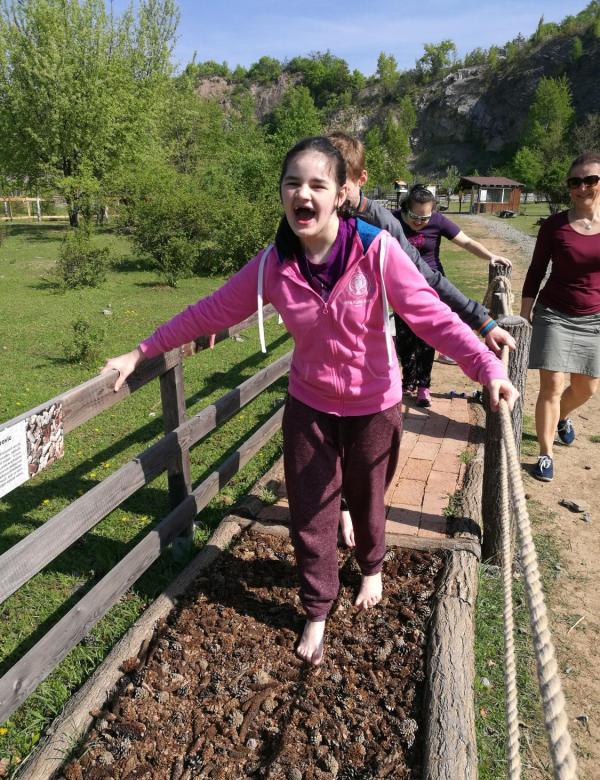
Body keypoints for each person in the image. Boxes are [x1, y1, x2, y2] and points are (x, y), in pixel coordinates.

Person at [102, 137, 518, 666]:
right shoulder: (273, 265)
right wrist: (140, 351)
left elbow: (431, 317)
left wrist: (486, 367)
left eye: (318, 184)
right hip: (310, 406)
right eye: (293, 183)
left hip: (375, 404)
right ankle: (317, 608)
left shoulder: (376, 250)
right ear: (281, 193)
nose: (304, 194)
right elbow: (209, 311)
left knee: (368, 499)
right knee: (310, 512)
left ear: (341, 194)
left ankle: (371, 565)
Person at [327, 132, 516, 543]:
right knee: (329, 447)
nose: (329, 192)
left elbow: (428, 280)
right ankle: (340, 511)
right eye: (321, 179)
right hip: (322, 365)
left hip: (369, 358)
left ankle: (356, 514)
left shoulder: (381, 224)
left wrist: (482, 321)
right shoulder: (304, 217)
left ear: (359, 179)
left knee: (371, 449)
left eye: (338, 180)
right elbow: (269, 269)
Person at [361, 182, 512, 408]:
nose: (420, 222)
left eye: (425, 218)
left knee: (427, 339)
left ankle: (424, 385)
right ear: (405, 209)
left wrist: (490, 255)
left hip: (431, 285)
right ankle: (408, 380)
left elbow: (466, 241)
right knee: (405, 339)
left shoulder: (438, 221)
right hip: (401, 288)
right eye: (415, 217)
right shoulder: (392, 220)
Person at [520, 151, 600, 482]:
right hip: (554, 313)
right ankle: (545, 453)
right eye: (575, 182)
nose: (582, 187)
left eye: (590, 180)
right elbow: (536, 270)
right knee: (552, 385)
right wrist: (525, 313)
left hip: (594, 318)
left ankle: (562, 417)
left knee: (586, 389)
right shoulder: (555, 226)